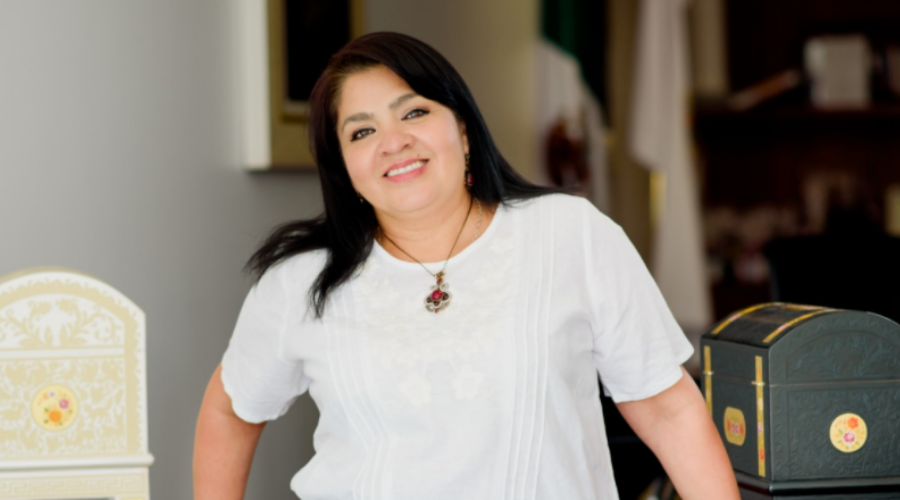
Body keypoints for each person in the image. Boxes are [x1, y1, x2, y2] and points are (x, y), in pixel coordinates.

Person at [194, 32, 739, 500]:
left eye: (414, 112)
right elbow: (230, 408)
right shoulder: (301, 281)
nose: (393, 142)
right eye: (361, 131)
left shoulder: (569, 234)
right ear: (344, 168)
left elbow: (668, 410)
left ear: (462, 128)